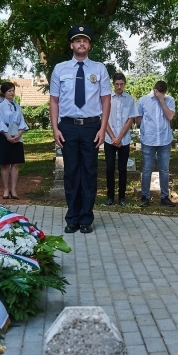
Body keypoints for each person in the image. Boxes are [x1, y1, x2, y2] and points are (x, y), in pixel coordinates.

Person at [49, 25, 111, 234]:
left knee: (89, 172)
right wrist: (55, 127)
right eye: (77, 40)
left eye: (85, 40)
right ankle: (72, 218)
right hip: (67, 126)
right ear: (71, 45)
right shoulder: (60, 69)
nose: (81, 43)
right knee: (71, 172)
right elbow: (54, 100)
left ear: (89, 45)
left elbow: (105, 100)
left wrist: (103, 129)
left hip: (92, 126)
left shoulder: (99, 69)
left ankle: (86, 218)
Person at [136, 80, 176, 208]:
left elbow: (169, 116)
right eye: (159, 93)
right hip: (149, 139)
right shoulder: (143, 100)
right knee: (147, 169)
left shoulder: (169, 100)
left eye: (163, 93)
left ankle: (164, 197)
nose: (161, 95)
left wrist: (162, 101)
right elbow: (138, 118)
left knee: (164, 169)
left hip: (164, 140)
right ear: (154, 90)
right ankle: (145, 197)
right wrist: (145, 129)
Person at [104, 73, 139, 206]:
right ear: (113, 84)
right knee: (110, 169)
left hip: (124, 140)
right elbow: (104, 119)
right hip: (109, 139)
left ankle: (122, 197)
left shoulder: (129, 99)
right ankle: (110, 197)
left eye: (121, 84)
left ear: (124, 84)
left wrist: (119, 137)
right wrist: (113, 137)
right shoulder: (107, 99)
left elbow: (131, 120)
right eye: (117, 84)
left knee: (123, 169)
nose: (119, 87)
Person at [0, 81, 28, 200]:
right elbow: (0, 122)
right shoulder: (0, 106)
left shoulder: (17, 105)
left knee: (15, 164)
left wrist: (19, 133)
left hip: (17, 136)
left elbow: (22, 121)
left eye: (13, 90)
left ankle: (14, 190)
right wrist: (8, 136)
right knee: (5, 164)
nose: (11, 93)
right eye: (9, 91)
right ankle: (5, 189)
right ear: (4, 92)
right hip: (5, 137)